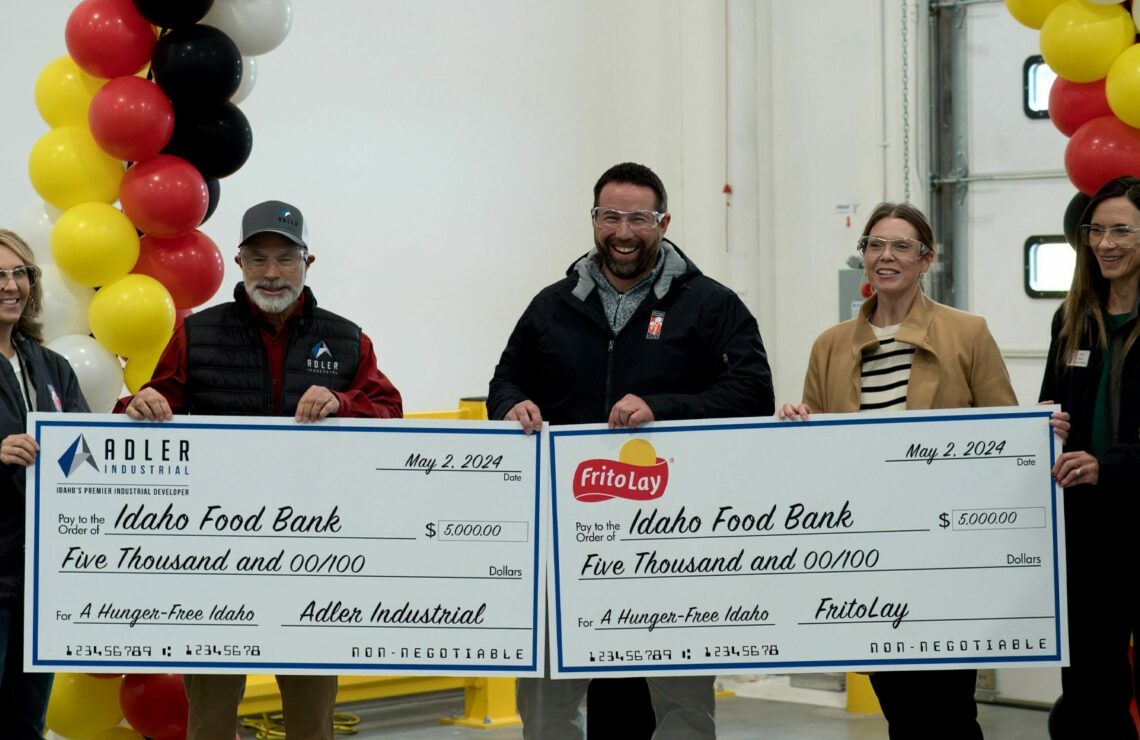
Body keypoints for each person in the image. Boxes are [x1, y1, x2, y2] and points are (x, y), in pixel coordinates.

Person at [488, 162, 774, 740]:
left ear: (663, 223)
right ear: (594, 220)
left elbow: (753, 392)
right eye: (610, 216)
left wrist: (661, 409)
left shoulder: (711, 305)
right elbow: (505, 383)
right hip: (566, 538)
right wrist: (513, 406)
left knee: (682, 699)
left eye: (638, 218)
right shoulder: (551, 305)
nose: (623, 231)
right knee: (546, 701)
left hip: (671, 538)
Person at [121, 200, 403, 740]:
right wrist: (140, 405)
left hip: (314, 558)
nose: (271, 273)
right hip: (217, 558)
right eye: (258, 259)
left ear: (307, 262)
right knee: (209, 713)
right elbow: (153, 405)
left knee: (312, 716)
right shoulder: (197, 334)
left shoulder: (347, 338)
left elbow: (389, 411)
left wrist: (343, 403)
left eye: (284, 258)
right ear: (239, 263)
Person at [779, 202, 1017, 740]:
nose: (886, 256)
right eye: (875, 245)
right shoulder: (830, 344)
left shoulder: (967, 332)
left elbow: (1005, 435)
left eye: (901, 246)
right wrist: (796, 424)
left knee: (950, 708)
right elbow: (814, 455)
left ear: (926, 259)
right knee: (900, 708)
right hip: (869, 553)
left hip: (944, 553)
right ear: (862, 256)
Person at [1039, 175, 1140, 739]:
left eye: (1122, 229)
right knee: (1090, 688)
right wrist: (1045, 425)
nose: (1107, 243)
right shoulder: (1073, 317)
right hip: (1088, 531)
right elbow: (1050, 401)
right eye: (1096, 230)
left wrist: (1111, 464)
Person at [0, 230, 90, 736]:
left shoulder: (50, 366)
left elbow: (84, 459)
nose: (11, 286)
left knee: (27, 722)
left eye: (21, 274)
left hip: (42, 580)